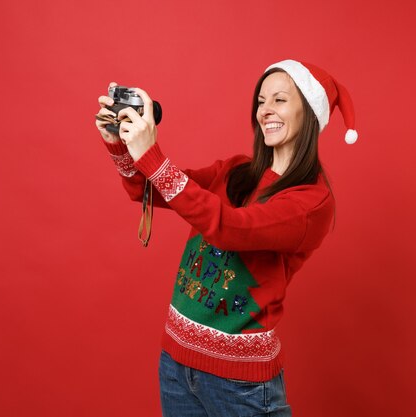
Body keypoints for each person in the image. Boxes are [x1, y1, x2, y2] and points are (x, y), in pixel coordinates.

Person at [95, 59, 357, 417]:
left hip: (239, 385)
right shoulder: (236, 169)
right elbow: (154, 190)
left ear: (309, 110)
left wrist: (153, 155)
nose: (265, 111)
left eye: (279, 100)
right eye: (261, 101)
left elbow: (231, 228)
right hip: (176, 362)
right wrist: (120, 146)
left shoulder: (311, 201)